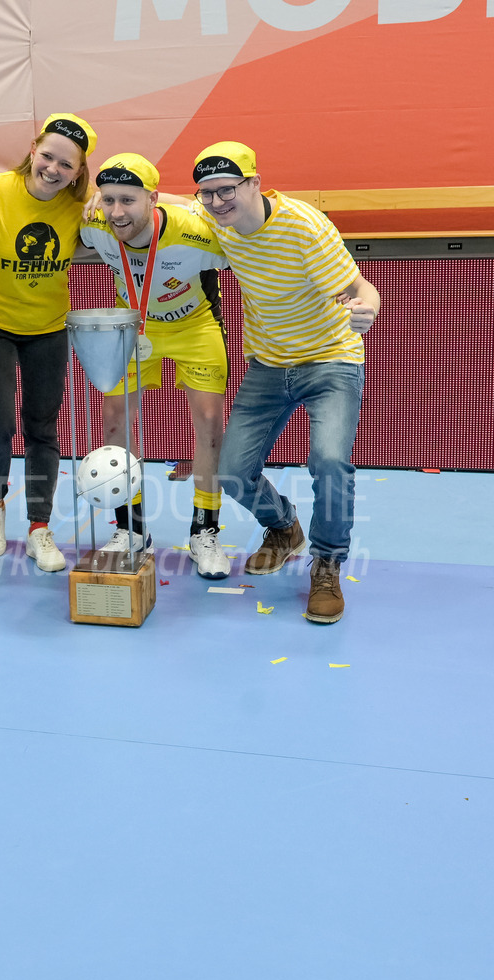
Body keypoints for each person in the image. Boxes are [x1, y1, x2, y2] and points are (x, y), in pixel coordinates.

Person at [187, 141, 380, 622]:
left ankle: (328, 564)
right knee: (231, 472)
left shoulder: (304, 227)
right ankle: (283, 527)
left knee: (330, 461)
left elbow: (360, 288)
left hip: (330, 360)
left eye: (227, 190)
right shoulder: (215, 221)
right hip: (269, 364)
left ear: (254, 183)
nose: (216, 202)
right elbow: (163, 203)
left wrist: (368, 309)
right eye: (207, 193)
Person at [79, 153, 233, 579]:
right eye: (107, 199)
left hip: (195, 326)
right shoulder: (94, 225)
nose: (116, 212)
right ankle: (132, 529)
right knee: (114, 425)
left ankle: (206, 532)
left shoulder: (196, 233)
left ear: (152, 197)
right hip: (131, 327)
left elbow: (249, 248)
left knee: (209, 425)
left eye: (127, 200)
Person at [0, 113, 97, 573]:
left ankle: (40, 526)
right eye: (48, 156)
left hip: (47, 329)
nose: (54, 169)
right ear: (33, 149)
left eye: (67, 164)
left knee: (43, 426)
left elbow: (142, 210)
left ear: (79, 172)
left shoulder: (78, 210)